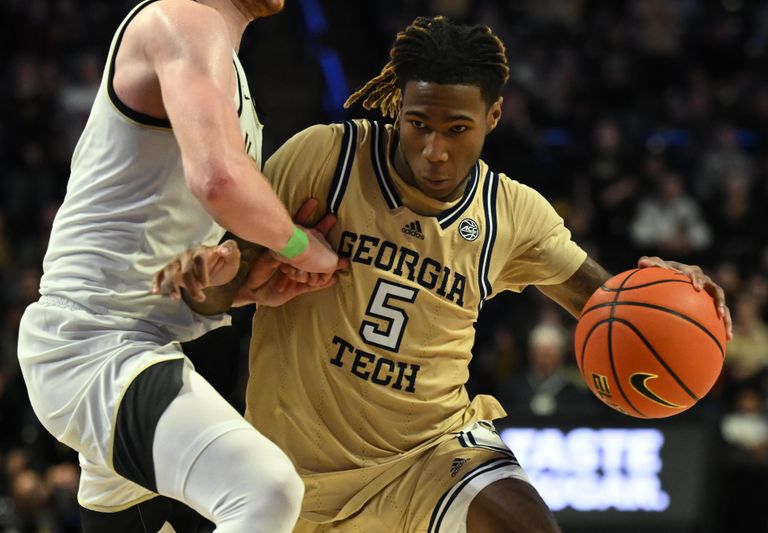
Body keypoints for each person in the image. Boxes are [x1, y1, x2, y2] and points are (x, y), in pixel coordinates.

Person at [155, 16, 733, 532]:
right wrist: (201, 282)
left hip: (429, 454)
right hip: (289, 467)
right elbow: (226, 289)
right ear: (396, 108)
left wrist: (665, 296)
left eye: (456, 129)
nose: (433, 149)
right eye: (417, 124)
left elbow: (604, 307)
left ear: (494, 116)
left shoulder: (512, 211)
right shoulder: (324, 159)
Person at [16, 0, 343, 531]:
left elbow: (163, 267)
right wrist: (303, 247)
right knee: (265, 491)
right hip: (92, 345)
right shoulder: (182, 21)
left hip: (138, 342)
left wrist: (243, 288)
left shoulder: (218, 56)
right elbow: (219, 181)